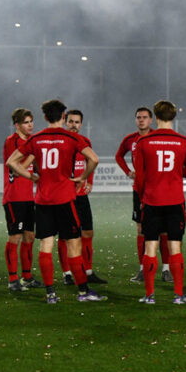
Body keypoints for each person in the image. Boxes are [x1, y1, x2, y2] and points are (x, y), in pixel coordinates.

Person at [6, 99, 107, 303]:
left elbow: (11, 162)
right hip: (65, 199)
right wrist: (82, 177)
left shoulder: (36, 139)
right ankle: (83, 292)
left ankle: (51, 293)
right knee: (73, 245)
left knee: (46, 245)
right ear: (63, 117)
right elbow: (94, 159)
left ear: (44, 117)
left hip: (43, 200)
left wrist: (30, 176)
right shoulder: (71, 137)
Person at [133, 100, 186, 304]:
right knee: (175, 246)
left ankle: (149, 295)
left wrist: (144, 196)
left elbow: (139, 177)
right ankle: (178, 295)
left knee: (150, 245)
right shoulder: (184, 142)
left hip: (152, 200)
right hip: (175, 202)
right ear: (173, 117)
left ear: (156, 117)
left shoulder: (144, 142)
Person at [115, 107, 173, 283]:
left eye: (145, 117)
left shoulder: (157, 137)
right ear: (135, 120)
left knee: (163, 229)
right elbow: (119, 156)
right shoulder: (130, 140)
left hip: (157, 189)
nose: (141, 120)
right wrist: (128, 172)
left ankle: (166, 269)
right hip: (139, 191)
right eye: (138, 117)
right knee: (141, 229)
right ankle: (142, 270)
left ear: (151, 120)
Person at [61, 109, 107, 285]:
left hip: (80, 196)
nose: (74, 125)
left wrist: (90, 181)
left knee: (88, 232)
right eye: (71, 121)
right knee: (66, 236)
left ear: (81, 124)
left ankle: (88, 272)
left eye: (77, 122)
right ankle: (67, 274)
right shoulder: (60, 140)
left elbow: (90, 162)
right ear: (65, 122)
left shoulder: (85, 141)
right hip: (64, 196)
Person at [1, 108, 43, 291]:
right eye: (26, 122)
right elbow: (15, 169)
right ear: (17, 125)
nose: (31, 125)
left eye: (31, 121)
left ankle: (27, 277)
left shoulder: (30, 142)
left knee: (30, 236)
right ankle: (12, 279)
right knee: (15, 237)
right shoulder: (13, 141)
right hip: (14, 198)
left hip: (28, 198)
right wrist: (33, 156)